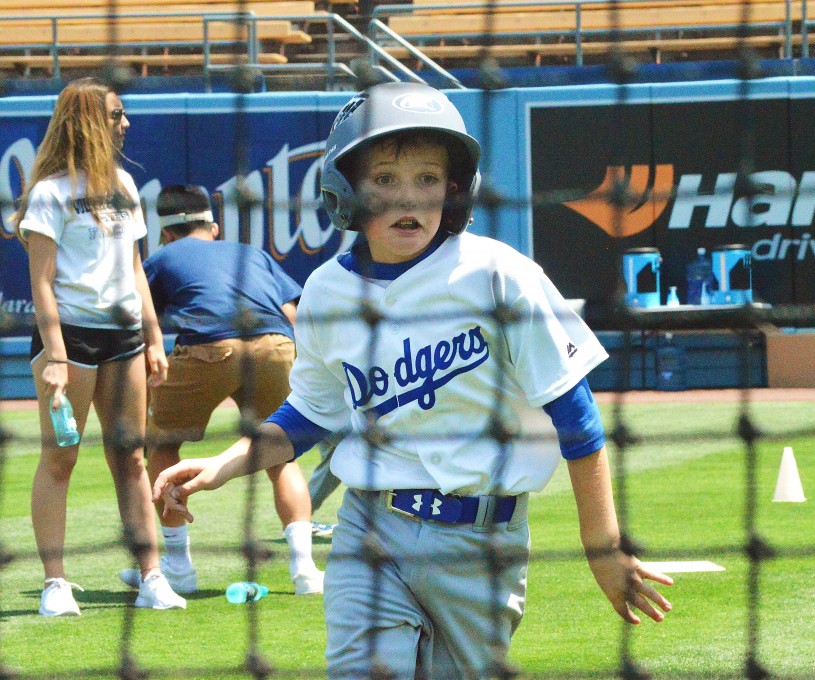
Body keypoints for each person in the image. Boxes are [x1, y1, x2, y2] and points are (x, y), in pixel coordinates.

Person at [152, 81, 672, 677]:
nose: (409, 197)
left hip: (483, 544)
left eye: (428, 179)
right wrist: (222, 465)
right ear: (345, 189)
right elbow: (308, 415)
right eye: (384, 179)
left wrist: (603, 549)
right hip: (371, 530)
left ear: (455, 190)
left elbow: (575, 416)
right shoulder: (327, 291)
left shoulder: (499, 275)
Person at [9, 77, 184, 616]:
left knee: (132, 459)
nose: (125, 123)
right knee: (60, 459)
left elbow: (134, 269)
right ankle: (55, 584)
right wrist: (56, 357)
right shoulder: (49, 193)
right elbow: (41, 283)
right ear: (87, 121)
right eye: (115, 114)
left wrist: (154, 338)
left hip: (125, 337)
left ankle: (152, 577)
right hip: (70, 337)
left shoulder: (125, 185)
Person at [122, 184, 324, 597]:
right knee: (280, 452)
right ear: (213, 228)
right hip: (276, 345)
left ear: (165, 233)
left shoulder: (161, 258)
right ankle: (305, 570)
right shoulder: (251, 253)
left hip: (209, 347)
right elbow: (293, 313)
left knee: (163, 448)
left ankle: (178, 568)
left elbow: (140, 319)